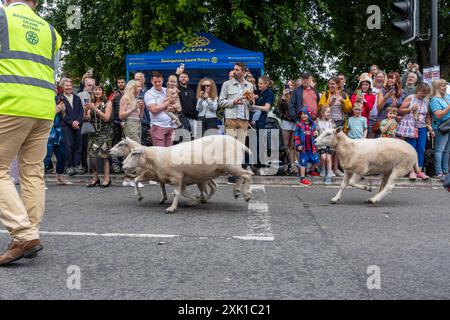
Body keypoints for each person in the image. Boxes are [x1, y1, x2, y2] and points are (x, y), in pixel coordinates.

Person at [0, 0, 62, 266]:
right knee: (32, 170)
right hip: (44, 108)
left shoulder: (2, 16)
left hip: (10, 103)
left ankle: (24, 234)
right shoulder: (51, 31)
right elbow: (53, 73)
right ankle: (29, 233)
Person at [219, 62, 254, 183]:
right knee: (230, 147)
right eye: (234, 69)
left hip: (244, 119)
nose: (234, 71)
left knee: (240, 147)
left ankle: (237, 172)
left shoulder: (249, 85)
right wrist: (233, 102)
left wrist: (251, 101)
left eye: (237, 70)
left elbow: (251, 106)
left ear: (244, 72)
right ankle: (231, 174)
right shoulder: (226, 84)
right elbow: (221, 102)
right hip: (231, 119)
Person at [318, 76, 352, 177]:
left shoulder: (344, 94)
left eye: (333, 84)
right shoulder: (326, 94)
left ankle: (336, 168)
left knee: (338, 147)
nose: (331, 86)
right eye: (330, 84)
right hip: (328, 123)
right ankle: (327, 169)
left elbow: (349, 109)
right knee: (327, 146)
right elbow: (320, 107)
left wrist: (343, 101)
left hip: (339, 123)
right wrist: (328, 103)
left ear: (338, 85)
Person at [398, 83, 432, 180]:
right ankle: (411, 171)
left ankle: (419, 171)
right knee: (411, 150)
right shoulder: (410, 98)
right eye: (422, 94)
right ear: (418, 91)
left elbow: (427, 115)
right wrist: (410, 109)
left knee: (420, 149)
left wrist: (429, 126)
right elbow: (400, 110)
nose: (423, 96)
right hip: (411, 127)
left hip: (422, 127)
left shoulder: (426, 100)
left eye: (425, 95)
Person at [83, 85, 113, 188]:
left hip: (105, 133)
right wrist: (86, 110)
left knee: (105, 156)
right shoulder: (91, 103)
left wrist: (95, 108)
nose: (97, 91)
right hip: (93, 133)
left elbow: (106, 118)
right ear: (93, 92)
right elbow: (86, 119)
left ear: (103, 92)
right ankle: (95, 179)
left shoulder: (108, 103)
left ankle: (107, 179)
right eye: (95, 90)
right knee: (92, 157)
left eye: (99, 89)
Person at [120, 80, 145, 187]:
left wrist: (142, 109)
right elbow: (121, 115)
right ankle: (132, 178)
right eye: (138, 87)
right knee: (134, 150)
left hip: (137, 124)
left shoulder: (135, 99)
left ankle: (127, 178)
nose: (140, 88)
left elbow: (140, 117)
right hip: (130, 124)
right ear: (133, 88)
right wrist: (133, 108)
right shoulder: (125, 98)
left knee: (133, 150)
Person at [145, 71, 178, 147]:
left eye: (159, 81)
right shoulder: (149, 94)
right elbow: (154, 110)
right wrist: (168, 102)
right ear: (151, 81)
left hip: (171, 125)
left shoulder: (166, 90)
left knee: (169, 153)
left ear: (162, 80)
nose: (157, 84)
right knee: (159, 155)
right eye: (155, 82)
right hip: (158, 126)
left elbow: (175, 102)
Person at [44, 97, 72, 185]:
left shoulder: (57, 99)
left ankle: (60, 179)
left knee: (62, 156)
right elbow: (44, 117)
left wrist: (63, 111)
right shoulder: (45, 100)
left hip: (58, 134)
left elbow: (65, 118)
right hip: (48, 133)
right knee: (46, 157)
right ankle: (40, 181)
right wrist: (55, 110)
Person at [249, 75, 275, 168]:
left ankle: (260, 162)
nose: (258, 85)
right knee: (254, 141)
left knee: (260, 141)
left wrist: (254, 107)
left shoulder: (269, 93)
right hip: (254, 121)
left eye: (261, 83)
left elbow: (266, 108)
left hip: (261, 121)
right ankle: (255, 162)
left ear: (267, 84)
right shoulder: (259, 92)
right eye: (258, 83)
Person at [59, 78, 83, 176]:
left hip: (77, 125)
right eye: (67, 86)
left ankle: (76, 165)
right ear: (63, 87)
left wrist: (77, 121)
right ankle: (69, 166)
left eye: (70, 85)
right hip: (66, 126)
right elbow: (62, 114)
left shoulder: (77, 98)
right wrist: (71, 122)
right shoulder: (60, 99)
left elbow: (81, 111)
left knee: (78, 145)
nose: (69, 87)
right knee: (68, 146)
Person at [274, 80, 297, 175]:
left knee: (292, 145)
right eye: (289, 85)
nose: (290, 86)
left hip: (294, 122)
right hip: (286, 122)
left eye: (292, 85)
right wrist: (283, 97)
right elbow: (279, 108)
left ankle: (292, 164)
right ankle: (287, 164)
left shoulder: (296, 96)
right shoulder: (282, 96)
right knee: (286, 145)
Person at [429, 79, 450, 181]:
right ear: (437, 87)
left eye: (445, 85)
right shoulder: (434, 100)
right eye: (443, 86)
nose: (445, 87)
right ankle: (439, 172)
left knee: (447, 151)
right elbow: (438, 114)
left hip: (449, 126)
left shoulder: (447, 97)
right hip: (441, 128)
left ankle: (445, 171)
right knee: (439, 150)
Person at [294, 107, 320, 186]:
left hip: (312, 148)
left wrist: (316, 134)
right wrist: (298, 145)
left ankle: (311, 171)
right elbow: (296, 135)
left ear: (309, 114)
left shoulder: (313, 124)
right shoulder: (299, 124)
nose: (303, 116)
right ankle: (302, 178)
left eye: (305, 114)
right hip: (303, 148)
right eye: (302, 114)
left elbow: (315, 134)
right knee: (303, 163)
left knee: (316, 160)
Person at [375, 72, 405, 136]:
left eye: (392, 78)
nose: (389, 80)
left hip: (395, 121)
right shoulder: (383, 90)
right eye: (388, 78)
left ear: (397, 80)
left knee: (393, 143)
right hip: (383, 120)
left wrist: (400, 115)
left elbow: (402, 108)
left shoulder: (402, 92)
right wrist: (386, 97)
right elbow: (378, 108)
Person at [77, 77, 95, 173]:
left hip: (96, 123)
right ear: (85, 85)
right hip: (84, 123)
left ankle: (95, 167)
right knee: (84, 146)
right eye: (89, 85)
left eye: (93, 85)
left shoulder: (98, 95)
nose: (91, 87)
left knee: (94, 146)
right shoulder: (79, 96)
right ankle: (84, 166)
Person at [176, 67, 198, 137]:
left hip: (193, 119)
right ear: (179, 79)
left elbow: (195, 106)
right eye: (181, 77)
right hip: (181, 119)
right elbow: (171, 84)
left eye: (185, 77)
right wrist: (176, 74)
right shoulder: (176, 90)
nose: (183, 78)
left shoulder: (192, 91)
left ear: (188, 79)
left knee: (195, 140)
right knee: (183, 140)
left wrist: (197, 119)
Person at [316, 106, 335, 184]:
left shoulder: (330, 122)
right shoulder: (317, 121)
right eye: (327, 112)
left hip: (329, 142)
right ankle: (323, 168)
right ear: (322, 113)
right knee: (323, 157)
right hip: (321, 143)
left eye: (330, 112)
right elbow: (316, 130)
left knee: (328, 158)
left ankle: (329, 175)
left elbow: (334, 131)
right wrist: (315, 133)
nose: (329, 113)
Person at [109, 77, 126, 147]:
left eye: (122, 82)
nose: (120, 84)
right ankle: (115, 157)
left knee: (126, 140)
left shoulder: (128, 93)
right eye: (119, 83)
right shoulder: (113, 93)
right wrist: (112, 99)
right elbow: (108, 105)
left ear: (125, 83)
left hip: (126, 120)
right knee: (116, 140)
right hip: (116, 121)